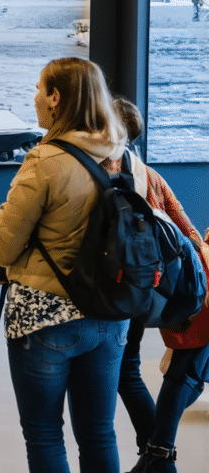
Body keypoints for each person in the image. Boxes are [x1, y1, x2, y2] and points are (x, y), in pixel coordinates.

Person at [0, 57, 129, 473]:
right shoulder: (122, 154)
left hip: (46, 317)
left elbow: (3, 249)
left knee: (44, 433)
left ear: (55, 98)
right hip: (111, 314)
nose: (34, 97)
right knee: (99, 433)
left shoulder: (44, 160)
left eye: (38, 89)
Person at [107, 98, 209, 473]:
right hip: (159, 291)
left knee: (137, 372)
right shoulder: (148, 174)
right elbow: (188, 231)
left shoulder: (106, 175)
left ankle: (157, 455)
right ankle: (155, 455)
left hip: (124, 289)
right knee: (138, 371)